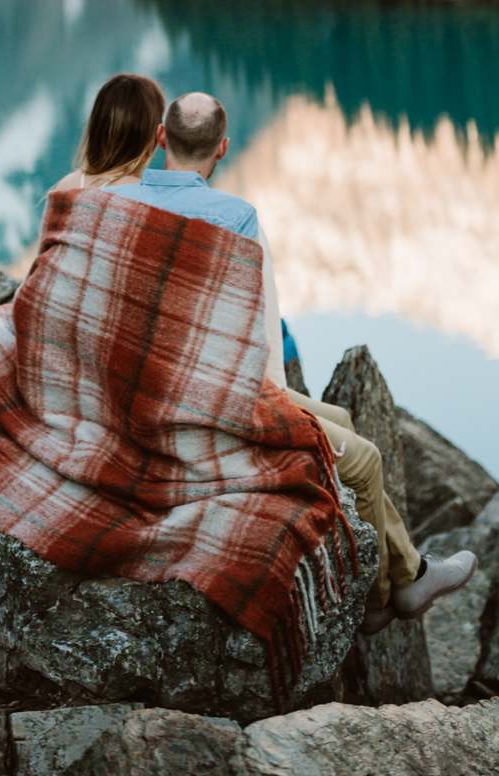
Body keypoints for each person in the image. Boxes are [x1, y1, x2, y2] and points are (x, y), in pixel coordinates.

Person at [40, 77, 471, 632]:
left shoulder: (107, 202)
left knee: (336, 418)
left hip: (156, 387)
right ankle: (383, 598)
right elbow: (246, 332)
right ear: (221, 148)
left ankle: (409, 570)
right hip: (199, 406)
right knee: (362, 458)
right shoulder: (234, 217)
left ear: (162, 138)